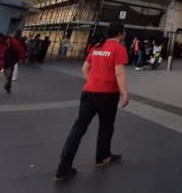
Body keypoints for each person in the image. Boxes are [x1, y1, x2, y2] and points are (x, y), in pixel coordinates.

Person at [55, 22, 129, 181]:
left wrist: (93, 83)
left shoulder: (97, 46)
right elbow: (119, 73)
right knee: (106, 127)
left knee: (78, 129)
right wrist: (125, 94)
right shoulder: (119, 48)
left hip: (88, 92)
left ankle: (63, 168)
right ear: (120, 34)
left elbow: (85, 68)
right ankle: (103, 157)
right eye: (124, 32)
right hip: (108, 94)